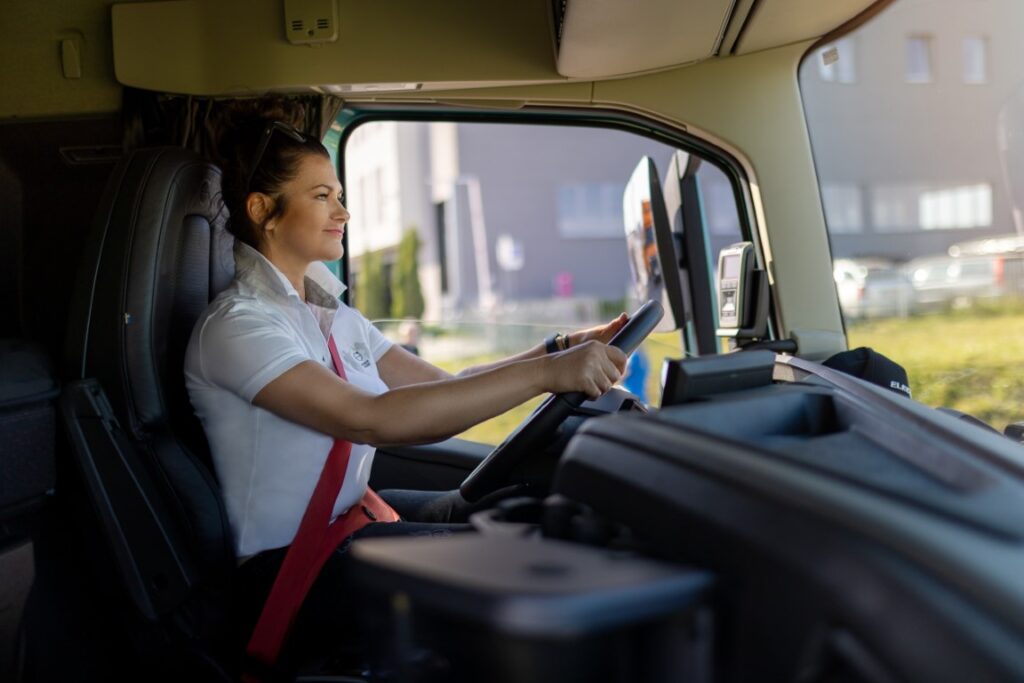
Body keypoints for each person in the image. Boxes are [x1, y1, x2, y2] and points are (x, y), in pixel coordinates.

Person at [183, 116, 629, 660]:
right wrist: (548, 375)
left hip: (347, 526)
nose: (343, 212)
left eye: (340, 196)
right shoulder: (239, 326)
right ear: (262, 211)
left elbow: (451, 386)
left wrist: (557, 350)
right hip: (290, 572)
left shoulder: (331, 315)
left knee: (533, 514)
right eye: (322, 197)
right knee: (530, 582)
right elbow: (372, 418)